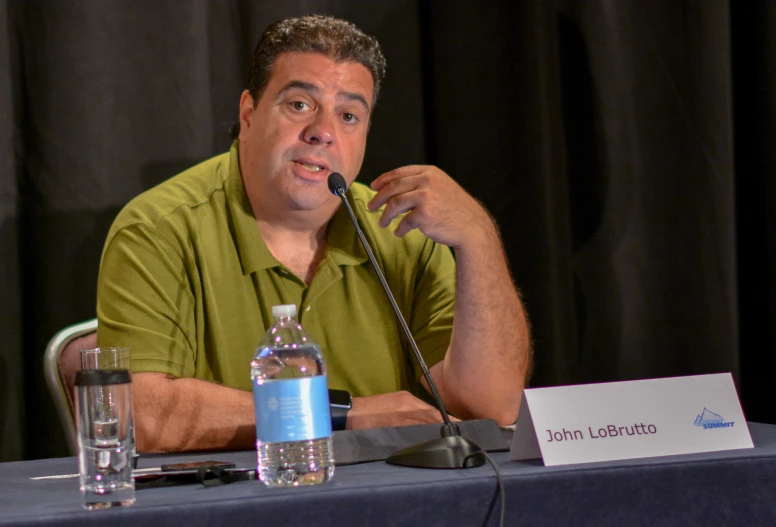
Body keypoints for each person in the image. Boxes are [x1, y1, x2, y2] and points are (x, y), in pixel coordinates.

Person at [96, 14, 531, 453]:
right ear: (248, 114)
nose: (322, 133)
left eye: (348, 115)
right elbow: (144, 415)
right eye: (300, 104)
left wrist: (478, 236)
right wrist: (344, 414)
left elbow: (494, 407)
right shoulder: (157, 229)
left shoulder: (402, 232)